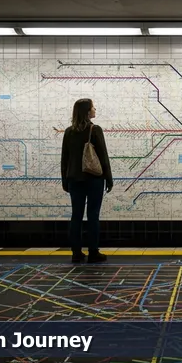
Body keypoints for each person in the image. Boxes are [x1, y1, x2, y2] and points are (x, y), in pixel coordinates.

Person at [61, 98, 113, 263]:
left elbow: (65, 158)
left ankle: (76, 253)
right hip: (94, 179)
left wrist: (65, 180)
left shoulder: (69, 132)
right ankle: (93, 252)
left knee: (76, 216)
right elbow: (103, 157)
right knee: (93, 215)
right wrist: (109, 179)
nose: (94, 109)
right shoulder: (95, 130)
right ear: (87, 111)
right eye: (92, 107)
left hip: (74, 180)